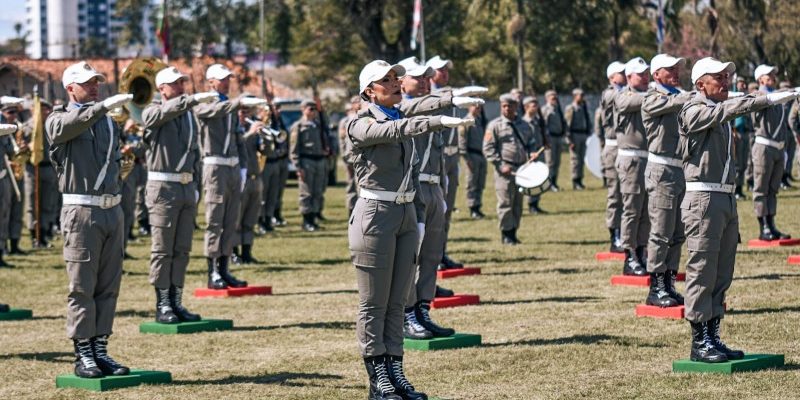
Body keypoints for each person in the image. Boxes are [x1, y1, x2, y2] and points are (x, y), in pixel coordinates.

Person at [347, 59, 473, 400]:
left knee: (397, 302)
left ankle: (396, 371)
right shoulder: (359, 123)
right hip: (375, 212)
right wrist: (434, 122)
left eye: (395, 78)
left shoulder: (399, 115)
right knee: (373, 303)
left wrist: (449, 100)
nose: (394, 83)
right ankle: (378, 380)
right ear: (369, 91)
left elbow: (406, 123)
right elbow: (391, 132)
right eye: (385, 80)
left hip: (403, 210)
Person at [678, 57, 793, 362]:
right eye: (719, 77)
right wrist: (763, 99)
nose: (726, 82)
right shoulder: (692, 108)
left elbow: (732, 104)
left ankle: (713, 335)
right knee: (702, 271)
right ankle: (699, 340)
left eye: (727, 77)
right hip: (703, 199)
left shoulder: (717, 108)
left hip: (724, 198)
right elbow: (727, 109)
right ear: (701, 82)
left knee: (721, 273)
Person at [45, 61, 133, 378]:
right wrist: (102, 108)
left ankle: (100, 349)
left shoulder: (108, 122)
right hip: (81, 211)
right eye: (87, 83)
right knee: (82, 286)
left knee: (108, 286)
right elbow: (64, 129)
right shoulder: (57, 119)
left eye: (97, 81)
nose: (95, 87)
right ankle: (83, 353)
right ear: (70, 88)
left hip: (111, 209)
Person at [141, 66, 213, 323]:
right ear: (162, 89)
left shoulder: (189, 116)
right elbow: (154, 117)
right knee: (162, 249)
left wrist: (195, 187)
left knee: (182, 249)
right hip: (163, 188)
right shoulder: (153, 110)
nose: (181, 87)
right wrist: (189, 100)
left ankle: (176, 301)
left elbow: (194, 153)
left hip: (185, 187)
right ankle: (162, 305)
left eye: (182, 82)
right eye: (175, 84)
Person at [195, 63, 265, 289]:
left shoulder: (230, 106)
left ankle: (224, 269)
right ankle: (212, 270)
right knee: (215, 219)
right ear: (211, 82)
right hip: (214, 165)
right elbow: (211, 112)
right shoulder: (206, 101)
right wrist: (236, 103)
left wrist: (243, 167)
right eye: (222, 79)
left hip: (233, 166)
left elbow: (238, 139)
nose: (226, 82)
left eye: (228, 78)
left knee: (230, 220)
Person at [641, 54, 693, 307]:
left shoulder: (679, 93)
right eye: (669, 69)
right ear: (656, 74)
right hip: (662, 170)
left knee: (677, 232)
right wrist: (695, 95)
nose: (676, 72)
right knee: (661, 231)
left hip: (680, 170)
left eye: (677, 68)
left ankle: (669, 283)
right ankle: (656, 286)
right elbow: (674, 103)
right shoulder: (652, 96)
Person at [484, 93, 538, 245]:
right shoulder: (495, 125)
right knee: (505, 202)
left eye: (510, 106)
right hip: (504, 170)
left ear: (516, 107)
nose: (507, 108)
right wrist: (500, 165)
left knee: (517, 204)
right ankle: (506, 234)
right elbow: (488, 148)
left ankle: (514, 232)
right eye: (504, 106)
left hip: (522, 170)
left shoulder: (525, 125)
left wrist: (532, 153)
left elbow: (531, 143)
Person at [614, 57, 651, 276]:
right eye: (640, 74)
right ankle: (629, 256)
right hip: (631, 160)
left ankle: (641, 252)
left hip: (647, 158)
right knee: (632, 210)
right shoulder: (623, 96)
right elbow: (635, 102)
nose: (645, 77)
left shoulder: (647, 95)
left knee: (645, 211)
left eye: (647, 73)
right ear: (628, 77)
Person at [751, 64, 793, 240]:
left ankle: (772, 224)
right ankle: (763, 227)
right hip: (764, 146)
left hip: (777, 147)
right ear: (760, 79)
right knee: (761, 188)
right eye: (768, 75)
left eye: (773, 75)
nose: (772, 77)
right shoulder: (758, 95)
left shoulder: (777, 96)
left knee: (773, 188)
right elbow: (755, 114)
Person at [289, 99, 330, 232]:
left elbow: (326, 126)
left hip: (320, 160)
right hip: (307, 161)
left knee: (318, 191)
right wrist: (298, 166)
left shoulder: (318, 124)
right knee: (306, 192)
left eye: (314, 109)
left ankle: (314, 218)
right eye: (310, 109)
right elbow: (294, 149)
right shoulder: (299, 126)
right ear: (303, 109)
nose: (313, 112)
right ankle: (306, 221)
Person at [234, 106, 268, 263]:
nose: (244, 115)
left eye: (247, 112)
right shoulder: (233, 130)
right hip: (241, 178)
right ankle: (234, 253)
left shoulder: (252, 130)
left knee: (250, 218)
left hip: (256, 177)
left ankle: (247, 252)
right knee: (236, 219)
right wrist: (250, 134)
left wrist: (266, 139)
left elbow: (265, 152)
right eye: (241, 112)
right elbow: (234, 147)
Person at [23, 99, 58, 248]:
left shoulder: (51, 127)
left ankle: (43, 234)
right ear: (33, 110)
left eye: (47, 109)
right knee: (32, 202)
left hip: (48, 167)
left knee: (47, 203)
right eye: (42, 109)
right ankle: (33, 234)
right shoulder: (27, 128)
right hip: (32, 168)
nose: (46, 112)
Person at [599, 62, 626, 252]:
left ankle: (625, 234)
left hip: (625, 149)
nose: (626, 74)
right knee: (615, 194)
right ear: (611, 77)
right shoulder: (610, 93)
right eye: (621, 72)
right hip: (614, 148)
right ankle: (614, 236)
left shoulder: (625, 91)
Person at [259, 104, 289, 231]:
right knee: (263, 195)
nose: (275, 111)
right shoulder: (260, 125)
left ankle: (269, 218)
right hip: (264, 164)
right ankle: (260, 221)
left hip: (275, 162)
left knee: (273, 194)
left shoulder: (276, 125)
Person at [2, 102, 26, 255]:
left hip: (15, 173)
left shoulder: (14, 129)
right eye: (10, 112)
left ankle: (14, 244)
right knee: (4, 213)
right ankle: (3, 247)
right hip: (4, 174)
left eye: (15, 112)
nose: (13, 115)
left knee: (16, 210)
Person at [459, 103, 487, 219]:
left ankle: (478, 206)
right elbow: (462, 141)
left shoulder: (481, 120)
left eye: (479, 106)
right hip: (472, 155)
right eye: (475, 106)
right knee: (472, 183)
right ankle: (472, 208)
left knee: (480, 182)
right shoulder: (466, 121)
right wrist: (467, 158)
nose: (478, 108)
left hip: (482, 155)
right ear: (469, 107)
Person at [521, 96, 548, 214]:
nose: (536, 108)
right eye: (533, 106)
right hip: (529, 155)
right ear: (526, 107)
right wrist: (528, 154)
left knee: (539, 178)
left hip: (539, 152)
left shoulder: (537, 121)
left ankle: (536, 203)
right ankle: (531, 204)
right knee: (531, 179)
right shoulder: (522, 123)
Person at [0, 119, 20, 267]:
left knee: (3, 216)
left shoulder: (4, 128)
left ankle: (1, 251)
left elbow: (11, 151)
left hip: (2, 177)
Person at [564, 88, 592, 190]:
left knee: (581, 159)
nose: (582, 97)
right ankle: (575, 180)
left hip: (583, 135)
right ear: (575, 96)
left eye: (582, 95)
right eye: (580, 95)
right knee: (575, 160)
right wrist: (569, 140)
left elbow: (588, 121)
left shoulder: (584, 107)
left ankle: (580, 179)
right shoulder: (570, 108)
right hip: (574, 135)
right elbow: (567, 125)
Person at [339, 95, 362, 216]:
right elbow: (342, 141)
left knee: (361, 186)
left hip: (362, 159)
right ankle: (351, 210)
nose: (359, 104)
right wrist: (344, 158)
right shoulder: (346, 121)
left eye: (360, 101)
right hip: (349, 158)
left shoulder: (365, 118)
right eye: (356, 102)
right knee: (351, 185)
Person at [733, 77, 754, 200]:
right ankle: (735, 189)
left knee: (743, 164)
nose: (743, 85)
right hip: (737, 133)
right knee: (737, 164)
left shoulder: (745, 97)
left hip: (746, 133)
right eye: (740, 83)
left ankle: (740, 188)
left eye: (744, 83)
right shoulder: (732, 97)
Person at [542, 90, 566, 191]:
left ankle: (554, 183)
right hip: (550, 138)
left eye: (556, 98)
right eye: (552, 98)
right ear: (547, 98)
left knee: (557, 162)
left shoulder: (558, 109)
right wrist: (545, 140)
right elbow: (543, 126)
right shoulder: (545, 110)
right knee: (550, 162)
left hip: (558, 138)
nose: (555, 100)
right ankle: (548, 184)